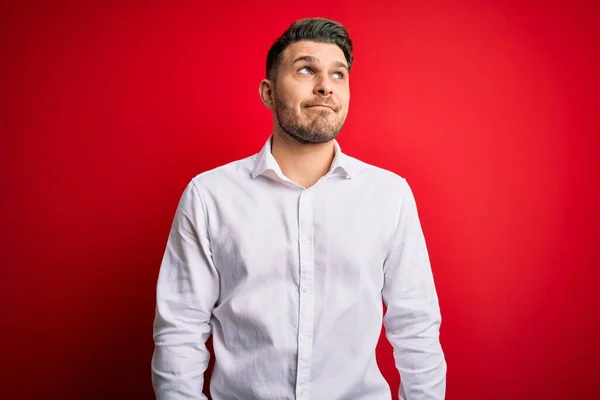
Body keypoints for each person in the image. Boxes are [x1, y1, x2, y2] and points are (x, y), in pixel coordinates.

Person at [151, 17, 446, 400]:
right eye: (306, 69)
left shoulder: (389, 195)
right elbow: (180, 330)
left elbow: (416, 326)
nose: (325, 85)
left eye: (338, 74)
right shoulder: (210, 196)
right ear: (269, 93)